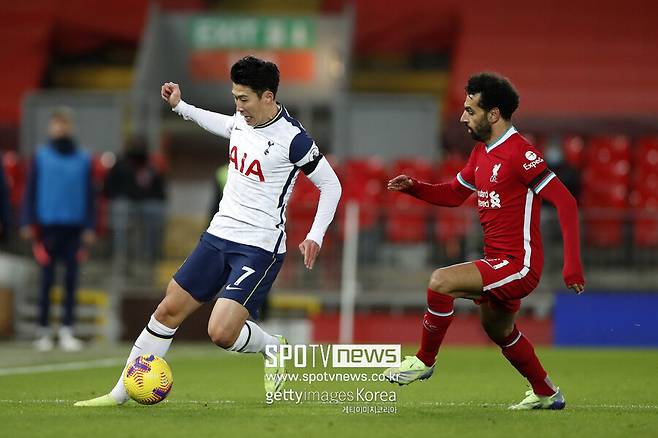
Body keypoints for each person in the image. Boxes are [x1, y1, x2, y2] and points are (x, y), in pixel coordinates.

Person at [75, 56, 342, 406]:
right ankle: (120, 394)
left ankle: (274, 348)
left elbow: (331, 185)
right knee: (169, 308)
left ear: (267, 97)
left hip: (259, 246)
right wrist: (181, 107)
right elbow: (225, 124)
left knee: (220, 332)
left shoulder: (293, 139)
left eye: (244, 99)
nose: (238, 106)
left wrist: (315, 234)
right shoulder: (242, 120)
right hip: (218, 235)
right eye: (235, 98)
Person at [383, 73, 584, 410]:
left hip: (518, 265)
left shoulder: (521, 153)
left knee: (441, 281)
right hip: (497, 261)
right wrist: (415, 187)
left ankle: (424, 360)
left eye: (470, 110)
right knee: (498, 329)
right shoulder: (481, 153)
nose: (463, 117)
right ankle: (548, 393)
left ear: (493, 114)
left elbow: (565, 201)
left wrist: (572, 265)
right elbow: (454, 194)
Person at [20, 107, 96, 352]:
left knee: (71, 282)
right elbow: (30, 191)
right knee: (46, 281)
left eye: (63, 124)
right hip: (47, 228)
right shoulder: (41, 157)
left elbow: (90, 195)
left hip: (74, 228)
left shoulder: (83, 159)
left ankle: (67, 330)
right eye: (56, 124)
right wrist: (26, 221)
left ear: (70, 126)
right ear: (50, 127)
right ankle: (43, 331)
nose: (60, 128)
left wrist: (90, 225)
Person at [103, 135, 167, 265]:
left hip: (146, 203)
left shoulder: (151, 166)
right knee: (121, 210)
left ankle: (149, 256)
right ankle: (121, 255)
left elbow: (160, 192)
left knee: (153, 210)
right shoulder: (121, 164)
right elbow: (109, 187)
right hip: (126, 202)